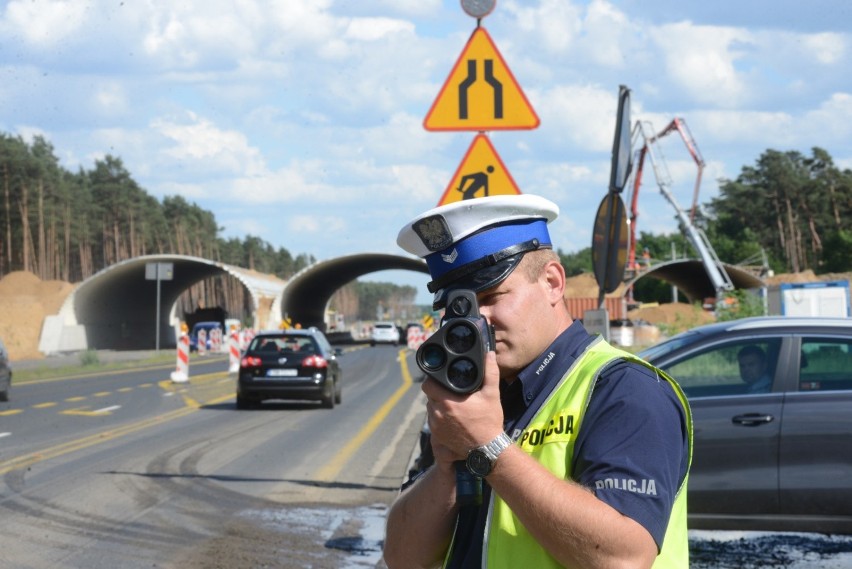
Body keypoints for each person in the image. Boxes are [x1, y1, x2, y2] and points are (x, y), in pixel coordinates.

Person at [384, 194, 692, 569]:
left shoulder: (625, 390)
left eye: (492, 296)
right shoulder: (467, 398)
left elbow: (622, 558)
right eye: (459, 307)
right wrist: (448, 462)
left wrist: (489, 447)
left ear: (552, 282)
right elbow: (402, 558)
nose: (478, 322)